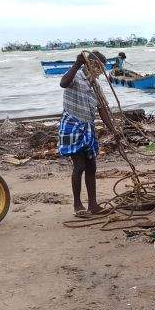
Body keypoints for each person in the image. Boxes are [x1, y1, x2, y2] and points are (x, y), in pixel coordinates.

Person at [58, 51, 107, 215]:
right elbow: (63, 83)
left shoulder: (95, 85)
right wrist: (77, 63)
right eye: (98, 67)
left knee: (91, 167)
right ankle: (77, 205)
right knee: (79, 165)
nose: (100, 72)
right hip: (72, 126)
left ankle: (93, 205)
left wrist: (115, 131)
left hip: (88, 127)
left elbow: (102, 110)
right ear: (90, 64)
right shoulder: (75, 76)